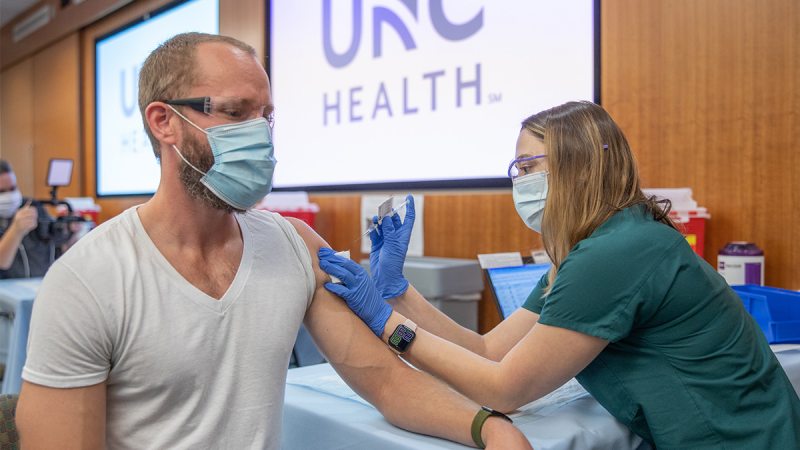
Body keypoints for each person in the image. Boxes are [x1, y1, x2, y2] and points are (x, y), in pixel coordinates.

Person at [14, 33, 530, 449]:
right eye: (237, 114)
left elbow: (388, 383)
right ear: (164, 121)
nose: (260, 135)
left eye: (266, 116)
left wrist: (489, 427)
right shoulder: (89, 280)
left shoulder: (294, 245)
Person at [320, 101, 800, 449]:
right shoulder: (593, 247)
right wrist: (397, 293)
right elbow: (490, 351)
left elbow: (505, 389)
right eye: (516, 168)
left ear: (583, 168)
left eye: (530, 166)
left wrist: (386, 324)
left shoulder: (615, 254)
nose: (519, 181)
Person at [0, 160, 69, 279]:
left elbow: (57, 248)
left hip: (40, 285)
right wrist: (16, 230)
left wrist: (71, 232)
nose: (9, 196)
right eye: (1, 191)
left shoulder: (31, 207)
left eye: (13, 188)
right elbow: (2, 263)